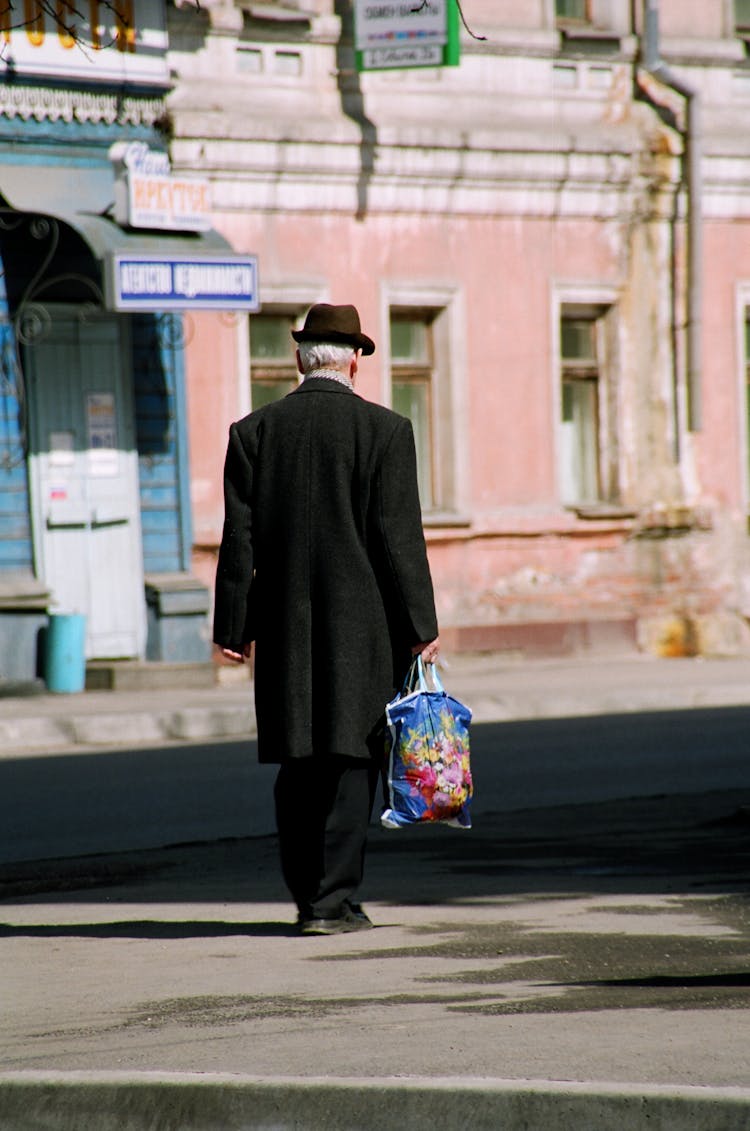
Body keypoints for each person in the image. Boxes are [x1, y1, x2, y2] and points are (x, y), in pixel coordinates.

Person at [213, 302, 439, 935]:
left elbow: (240, 540)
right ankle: (331, 902)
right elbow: (400, 540)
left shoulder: (253, 432)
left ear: (299, 360)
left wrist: (233, 628)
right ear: (355, 364)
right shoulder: (386, 432)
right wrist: (422, 624)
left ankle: (314, 896)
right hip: (363, 628)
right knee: (349, 761)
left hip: (284, 626)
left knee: (298, 763)